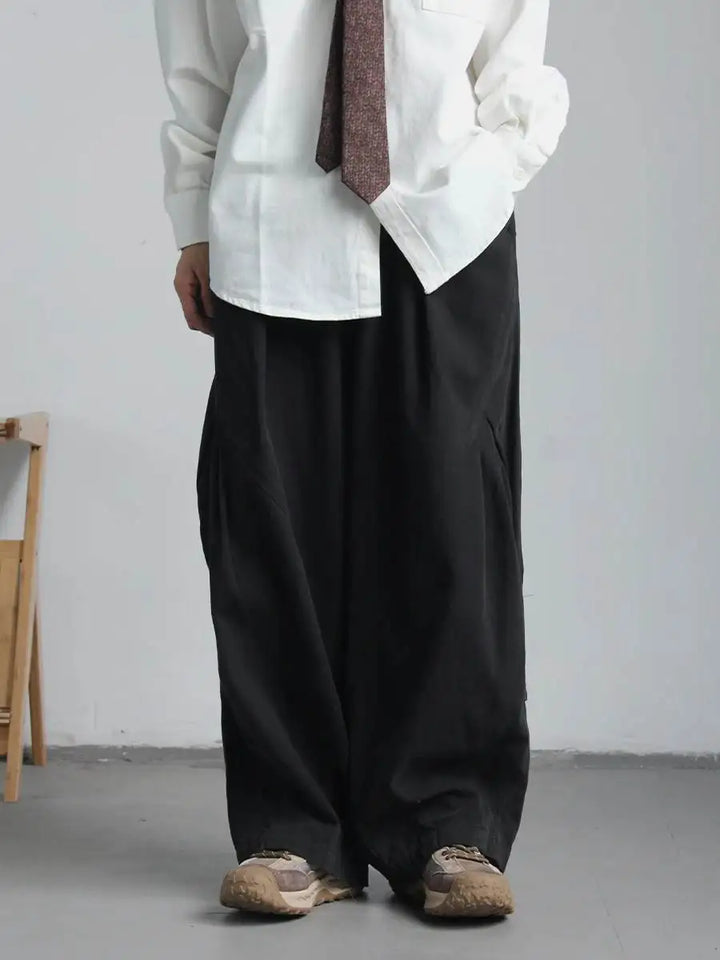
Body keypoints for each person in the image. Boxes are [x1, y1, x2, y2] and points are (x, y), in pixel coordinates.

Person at [153, 0, 568, 920]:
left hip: (445, 232)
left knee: (452, 525)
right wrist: (193, 216)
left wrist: (482, 179)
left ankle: (448, 824)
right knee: (270, 534)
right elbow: (198, 61)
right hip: (271, 223)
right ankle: (295, 829)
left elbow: (516, 61)